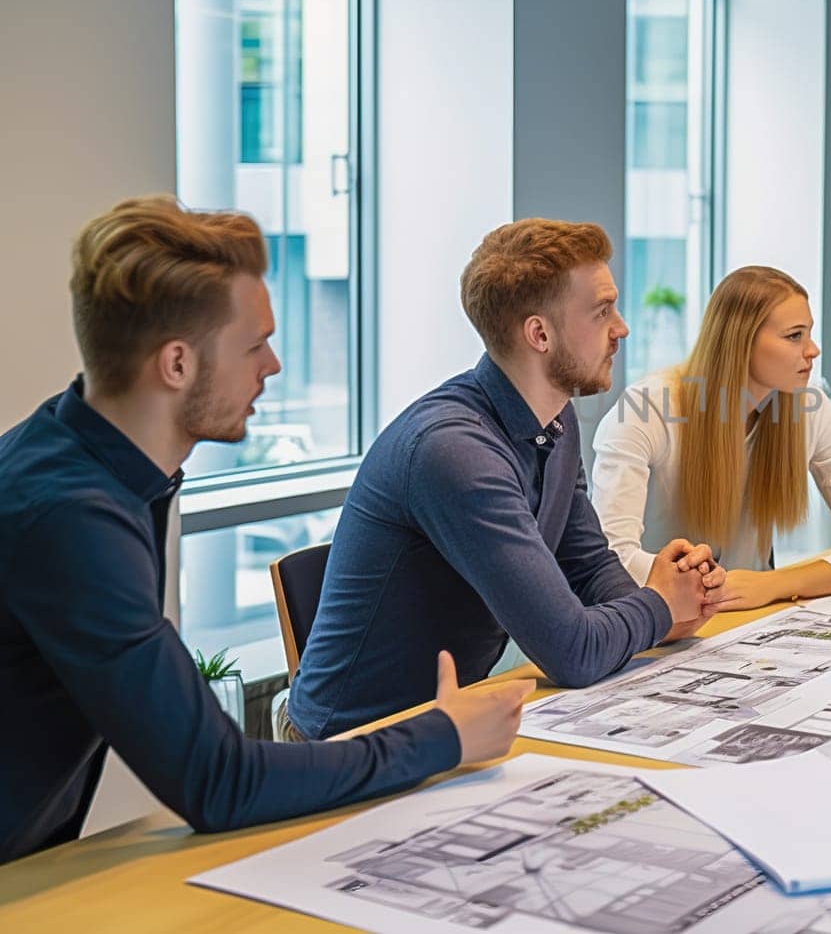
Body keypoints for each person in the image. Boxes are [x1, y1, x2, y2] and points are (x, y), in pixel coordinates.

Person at [0, 196, 532, 865]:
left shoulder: (79, 455)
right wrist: (440, 736)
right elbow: (217, 781)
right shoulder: (70, 518)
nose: (273, 365)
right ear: (175, 364)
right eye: (255, 344)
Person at [285, 218, 725, 740]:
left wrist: (672, 602)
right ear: (539, 334)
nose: (621, 327)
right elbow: (571, 653)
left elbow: (586, 567)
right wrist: (656, 605)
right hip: (354, 741)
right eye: (602, 310)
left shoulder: (554, 421)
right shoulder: (455, 451)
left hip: (449, 720)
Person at [591, 266, 831, 608]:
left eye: (809, 333)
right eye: (794, 336)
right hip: (652, 625)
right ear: (741, 341)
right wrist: (708, 585)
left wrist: (772, 584)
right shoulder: (645, 411)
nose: (813, 350)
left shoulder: (810, 409)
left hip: (748, 624)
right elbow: (609, 559)